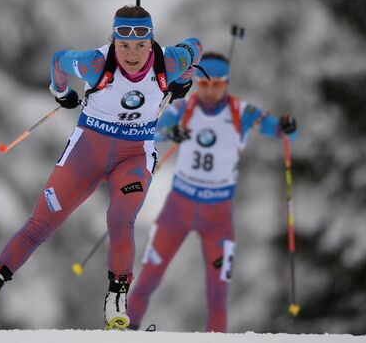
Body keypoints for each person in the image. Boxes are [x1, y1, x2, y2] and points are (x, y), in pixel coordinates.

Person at [0, 5, 202, 330]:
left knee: (120, 217)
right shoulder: (95, 63)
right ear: (113, 40)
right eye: (123, 45)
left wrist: (183, 80)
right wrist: (61, 91)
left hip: (134, 157)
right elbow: (59, 60)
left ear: (151, 41)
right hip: (87, 153)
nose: (132, 54)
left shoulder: (169, 62)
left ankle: (117, 302)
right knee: (41, 223)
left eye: (140, 45)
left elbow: (195, 46)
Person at [126, 51, 298, 332]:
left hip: (218, 215)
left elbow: (278, 129)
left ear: (226, 83)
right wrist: (171, 133)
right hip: (178, 209)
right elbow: (151, 131)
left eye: (216, 84)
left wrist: (286, 127)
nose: (209, 91)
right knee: (147, 278)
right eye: (203, 84)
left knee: (217, 293)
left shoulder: (240, 112)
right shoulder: (185, 109)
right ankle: (126, 331)